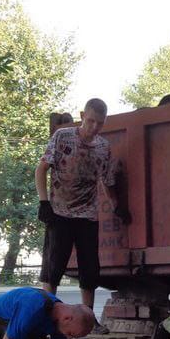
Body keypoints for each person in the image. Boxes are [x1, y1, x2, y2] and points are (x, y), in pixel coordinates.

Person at [35, 97, 130, 309]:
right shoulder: (63, 137)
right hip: (59, 212)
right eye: (91, 121)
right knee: (53, 269)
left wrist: (116, 205)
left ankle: (88, 315)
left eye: (100, 123)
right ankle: (45, 311)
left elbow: (106, 181)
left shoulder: (103, 147)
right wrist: (43, 203)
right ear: (82, 117)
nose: (95, 127)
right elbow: (41, 169)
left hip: (88, 215)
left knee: (90, 269)